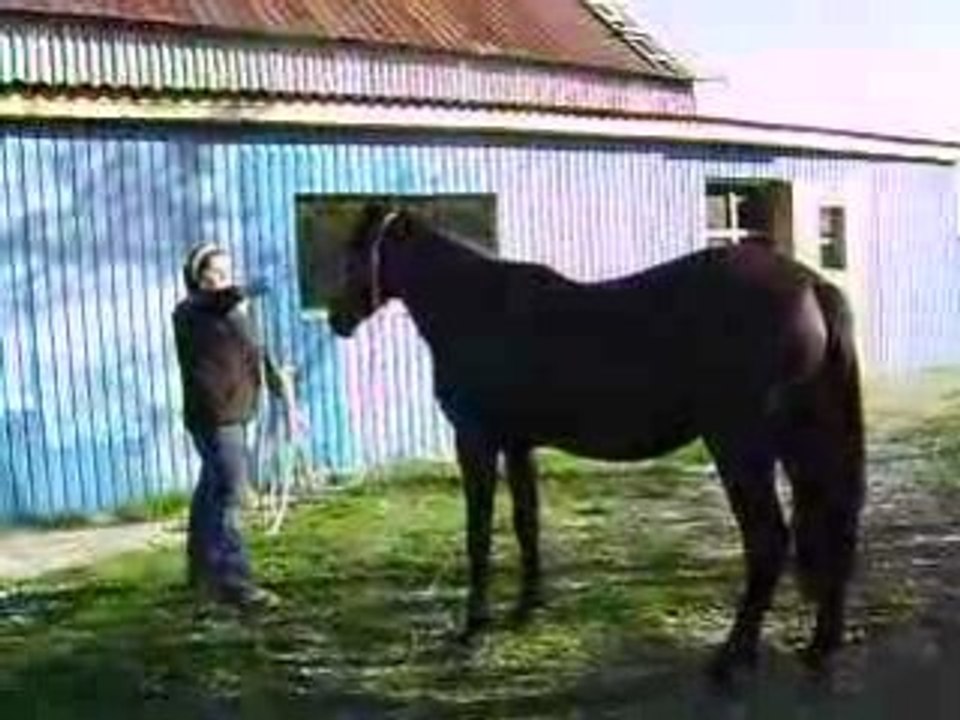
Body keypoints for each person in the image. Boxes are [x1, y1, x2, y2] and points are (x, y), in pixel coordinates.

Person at [172, 242, 303, 610]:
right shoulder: (190, 311)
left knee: (210, 492)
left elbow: (256, 353)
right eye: (214, 274)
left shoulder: (234, 315)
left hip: (234, 414)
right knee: (230, 494)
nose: (223, 280)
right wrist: (245, 289)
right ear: (197, 279)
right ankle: (233, 582)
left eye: (227, 273)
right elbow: (217, 300)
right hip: (214, 417)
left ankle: (201, 572)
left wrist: (280, 384)